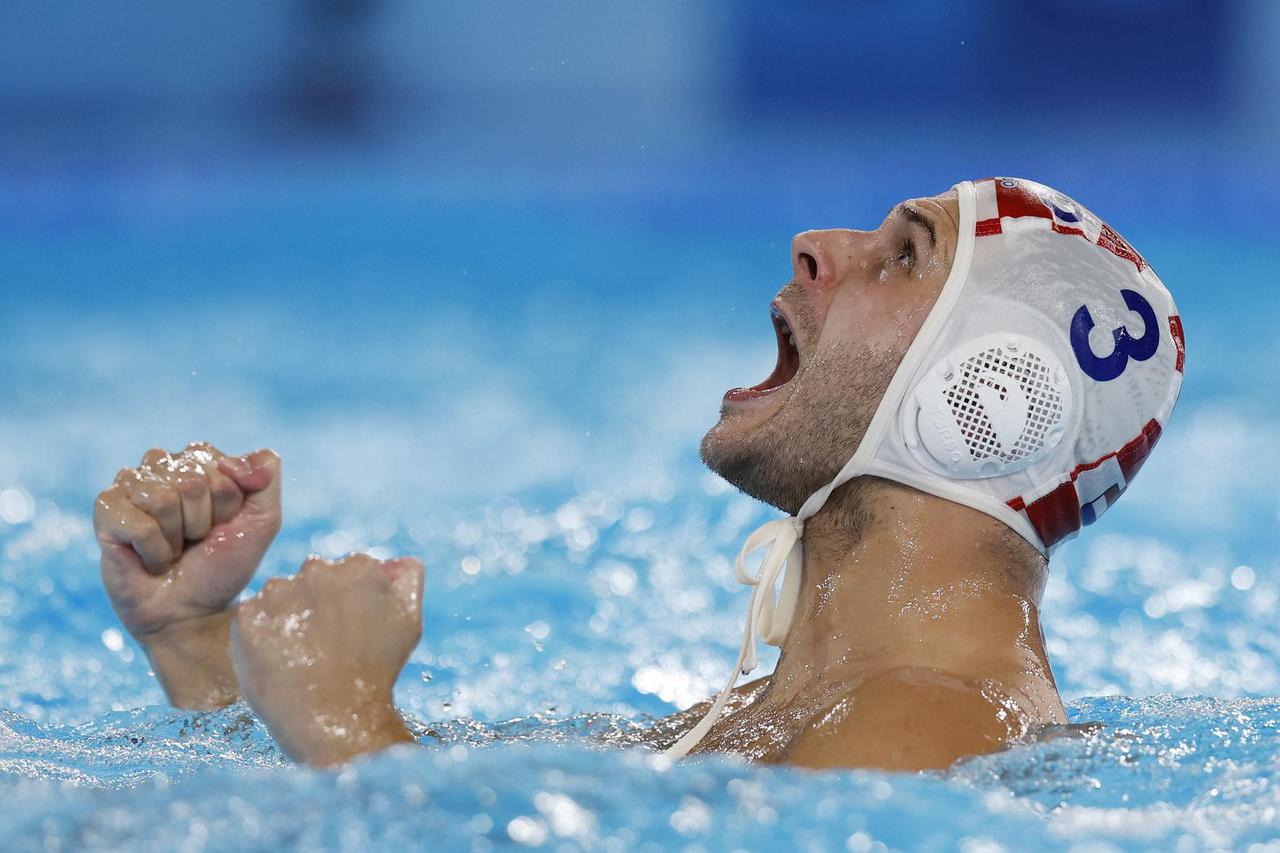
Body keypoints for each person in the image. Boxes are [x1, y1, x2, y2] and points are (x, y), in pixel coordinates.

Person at [92, 178, 1184, 770]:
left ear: (992, 398)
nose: (814, 241)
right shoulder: (775, 712)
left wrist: (346, 733)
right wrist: (202, 649)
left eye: (903, 255)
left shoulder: (921, 728)